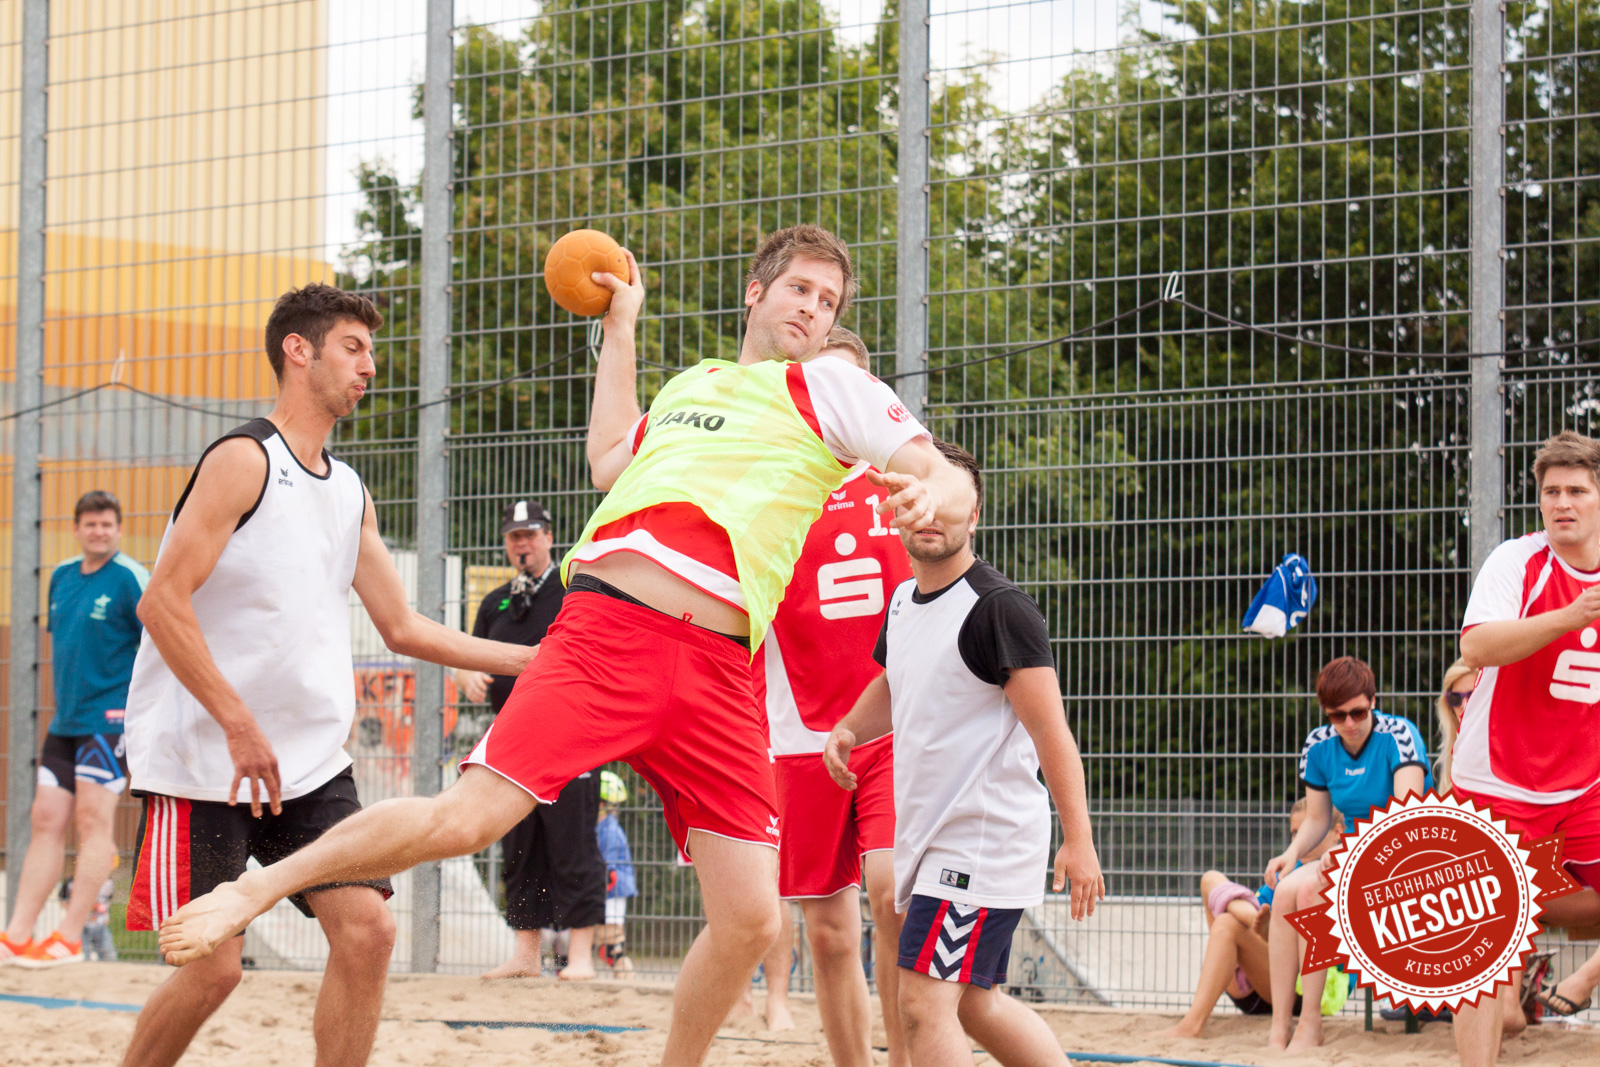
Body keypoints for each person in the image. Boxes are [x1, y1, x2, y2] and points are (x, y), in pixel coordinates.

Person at [155, 226, 976, 1067]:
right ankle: (253, 890)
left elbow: (937, 467)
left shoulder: (832, 386)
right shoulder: (698, 384)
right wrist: (621, 329)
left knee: (753, 918)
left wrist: (935, 500)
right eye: (800, 288)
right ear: (756, 294)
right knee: (464, 819)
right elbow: (609, 460)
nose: (814, 307)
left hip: (723, 666)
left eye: (829, 299)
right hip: (611, 628)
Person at [116, 283, 538, 1067]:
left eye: (371, 351)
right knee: (212, 970)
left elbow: (403, 626)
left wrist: (533, 660)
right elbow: (161, 603)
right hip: (204, 761)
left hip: (305, 764)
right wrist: (237, 721)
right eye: (354, 346)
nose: (369, 366)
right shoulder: (243, 461)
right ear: (297, 350)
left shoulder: (347, 491)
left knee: (370, 930)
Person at [823, 440, 1104, 1067]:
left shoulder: (997, 608)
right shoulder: (902, 602)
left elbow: (1052, 732)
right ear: (895, 510)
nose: (931, 517)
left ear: (974, 515)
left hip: (979, 843)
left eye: (949, 504)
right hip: (936, 837)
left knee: (922, 1006)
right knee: (976, 1004)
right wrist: (847, 728)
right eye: (917, 502)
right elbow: (898, 681)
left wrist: (1078, 840)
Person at [757, 324, 913, 1063]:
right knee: (827, 931)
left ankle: (908, 1050)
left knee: (890, 894)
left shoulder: (902, 479)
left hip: (892, 725)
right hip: (802, 735)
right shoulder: (771, 492)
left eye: (851, 384)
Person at [1452, 431, 1600, 1058]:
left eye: (1577, 491)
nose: (1562, 502)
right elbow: (1476, 648)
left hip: (1585, 785)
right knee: (1481, 945)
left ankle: (1573, 974)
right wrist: (1571, 616)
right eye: (1550, 492)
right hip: (1498, 784)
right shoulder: (1517, 560)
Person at [456, 499, 606, 981]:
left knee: (574, 843)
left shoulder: (573, 589)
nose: (521, 544)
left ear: (548, 537)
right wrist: (465, 676)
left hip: (569, 736)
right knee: (519, 847)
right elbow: (471, 653)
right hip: (511, 737)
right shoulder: (496, 600)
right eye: (513, 536)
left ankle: (580, 957)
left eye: (530, 534)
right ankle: (526, 955)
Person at [0, 491, 147, 968]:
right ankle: (17, 935)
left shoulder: (130, 579)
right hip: (66, 722)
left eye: (107, 524)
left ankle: (67, 937)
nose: (99, 532)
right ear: (77, 528)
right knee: (44, 819)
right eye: (90, 524)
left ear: (118, 529)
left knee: (92, 822)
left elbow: (161, 644)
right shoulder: (61, 577)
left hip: (109, 722)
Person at [1263, 655, 1431, 1053]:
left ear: (1374, 700)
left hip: (1402, 855)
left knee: (1309, 895)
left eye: (1358, 711)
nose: (1350, 724)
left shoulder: (1400, 735)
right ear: (1326, 713)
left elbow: (1409, 819)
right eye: (1338, 716)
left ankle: (1310, 1026)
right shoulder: (1318, 745)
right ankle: (1278, 1028)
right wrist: (1292, 852)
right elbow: (1318, 819)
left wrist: (1348, 854)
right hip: (1348, 851)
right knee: (1286, 890)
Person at [1156, 799, 1343, 1038]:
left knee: (1228, 922)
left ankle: (1191, 1024)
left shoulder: (1336, 876)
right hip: (1259, 983)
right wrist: (1261, 924)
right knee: (1210, 881)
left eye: (1305, 830)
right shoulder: (1290, 869)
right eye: (1294, 833)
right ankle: (1266, 925)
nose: (1297, 840)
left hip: (1303, 994)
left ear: (1337, 832)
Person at [595, 769, 637, 973]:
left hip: (614, 888)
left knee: (611, 934)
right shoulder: (604, 826)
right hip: (614, 887)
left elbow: (609, 863)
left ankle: (623, 971)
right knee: (607, 932)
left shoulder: (609, 829)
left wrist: (604, 883)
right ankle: (616, 960)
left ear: (601, 804)